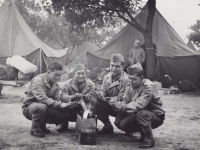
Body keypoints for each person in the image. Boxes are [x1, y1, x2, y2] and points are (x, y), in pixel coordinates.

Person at [113, 62, 165, 148]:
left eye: (134, 79)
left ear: (141, 78)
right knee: (119, 122)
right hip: (139, 113)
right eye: (129, 78)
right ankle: (142, 132)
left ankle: (149, 139)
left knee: (141, 114)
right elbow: (126, 100)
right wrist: (117, 104)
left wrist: (122, 107)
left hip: (155, 116)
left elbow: (139, 104)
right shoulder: (130, 85)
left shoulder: (148, 87)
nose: (131, 81)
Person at [22, 62, 70, 138]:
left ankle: (42, 125)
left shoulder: (56, 84)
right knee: (41, 107)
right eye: (56, 75)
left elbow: (56, 99)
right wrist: (58, 105)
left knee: (63, 114)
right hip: (29, 107)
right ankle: (34, 129)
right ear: (48, 72)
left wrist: (63, 105)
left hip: (44, 107)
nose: (58, 78)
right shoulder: (38, 80)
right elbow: (42, 98)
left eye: (60, 75)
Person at [93, 53, 129, 135]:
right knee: (95, 102)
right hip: (110, 104)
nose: (113, 68)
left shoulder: (126, 79)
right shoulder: (107, 76)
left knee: (121, 124)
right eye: (112, 65)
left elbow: (122, 96)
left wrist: (109, 100)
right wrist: (100, 95)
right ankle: (107, 126)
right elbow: (103, 90)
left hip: (122, 107)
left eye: (117, 66)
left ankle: (130, 128)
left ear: (122, 67)